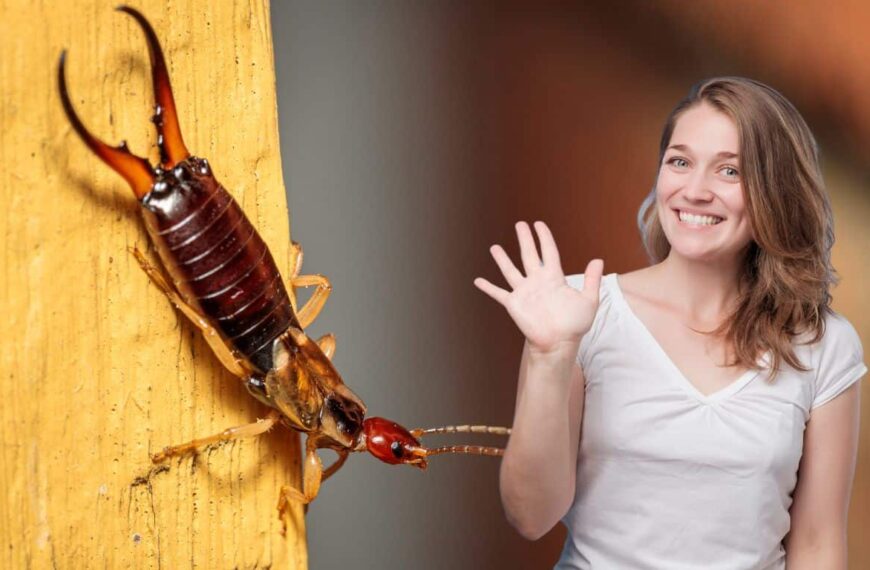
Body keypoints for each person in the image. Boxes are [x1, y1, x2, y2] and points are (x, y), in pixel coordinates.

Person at [474, 77, 867, 569]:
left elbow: (817, 545)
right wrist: (549, 355)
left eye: (730, 171)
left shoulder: (824, 345)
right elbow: (531, 516)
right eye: (680, 162)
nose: (695, 191)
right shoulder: (579, 312)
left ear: (776, 191)